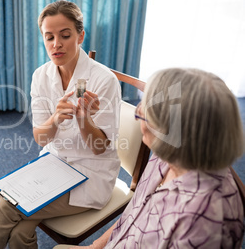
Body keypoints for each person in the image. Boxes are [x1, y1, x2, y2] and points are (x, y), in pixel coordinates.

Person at [0, 0, 121, 249]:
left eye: (65, 35)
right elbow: (41, 138)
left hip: (90, 174)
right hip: (53, 166)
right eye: (49, 37)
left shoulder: (104, 80)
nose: (56, 44)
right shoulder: (40, 75)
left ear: (80, 36)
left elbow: (100, 148)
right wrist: (54, 120)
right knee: (20, 234)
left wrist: (83, 119)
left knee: (5, 205)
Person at [68, 68, 245, 248]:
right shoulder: (166, 155)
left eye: (145, 115)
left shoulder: (205, 222)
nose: (138, 119)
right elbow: (133, 215)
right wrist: (95, 246)